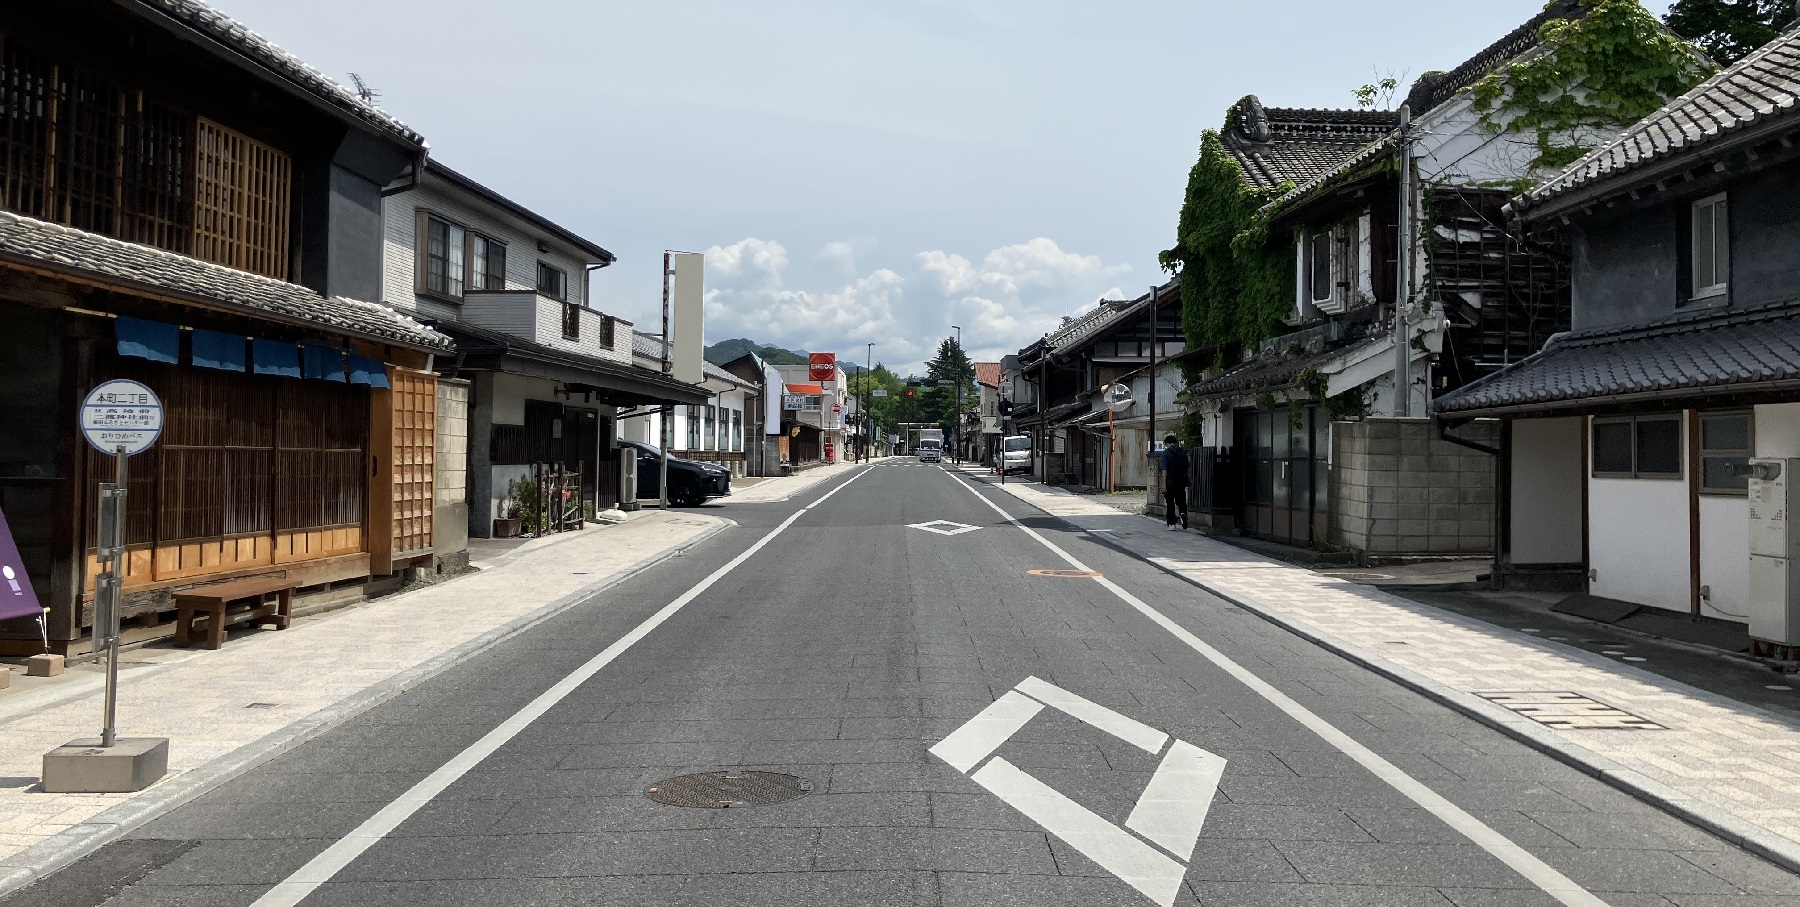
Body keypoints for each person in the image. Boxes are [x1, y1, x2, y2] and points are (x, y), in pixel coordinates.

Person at [1159, 433, 1189, 531]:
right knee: (1181, 502)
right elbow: (1187, 467)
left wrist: (1163, 485)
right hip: (1181, 482)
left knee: (1170, 503)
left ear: (1167, 443)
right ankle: (1183, 514)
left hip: (1170, 482)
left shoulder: (1166, 453)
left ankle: (1172, 524)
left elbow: (1164, 471)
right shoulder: (1183, 452)